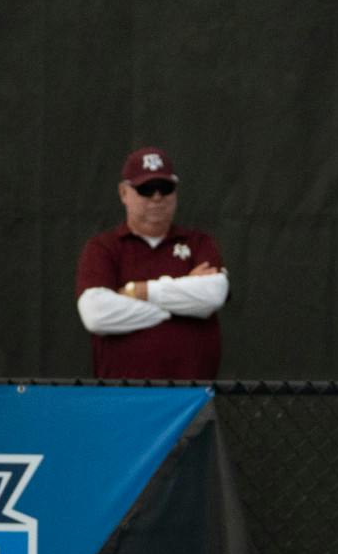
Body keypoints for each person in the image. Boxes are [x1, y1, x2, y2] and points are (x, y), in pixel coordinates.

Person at [74, 147, 229, 380]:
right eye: (145, 189)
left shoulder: (199, 243)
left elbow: (214, 294)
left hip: (191, 399)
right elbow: (96, 314)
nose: (157, 197)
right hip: (122, 399)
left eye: (165, 188)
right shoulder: (103, 247)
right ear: (124, 193)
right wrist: (178, 303)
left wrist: (138, 291)